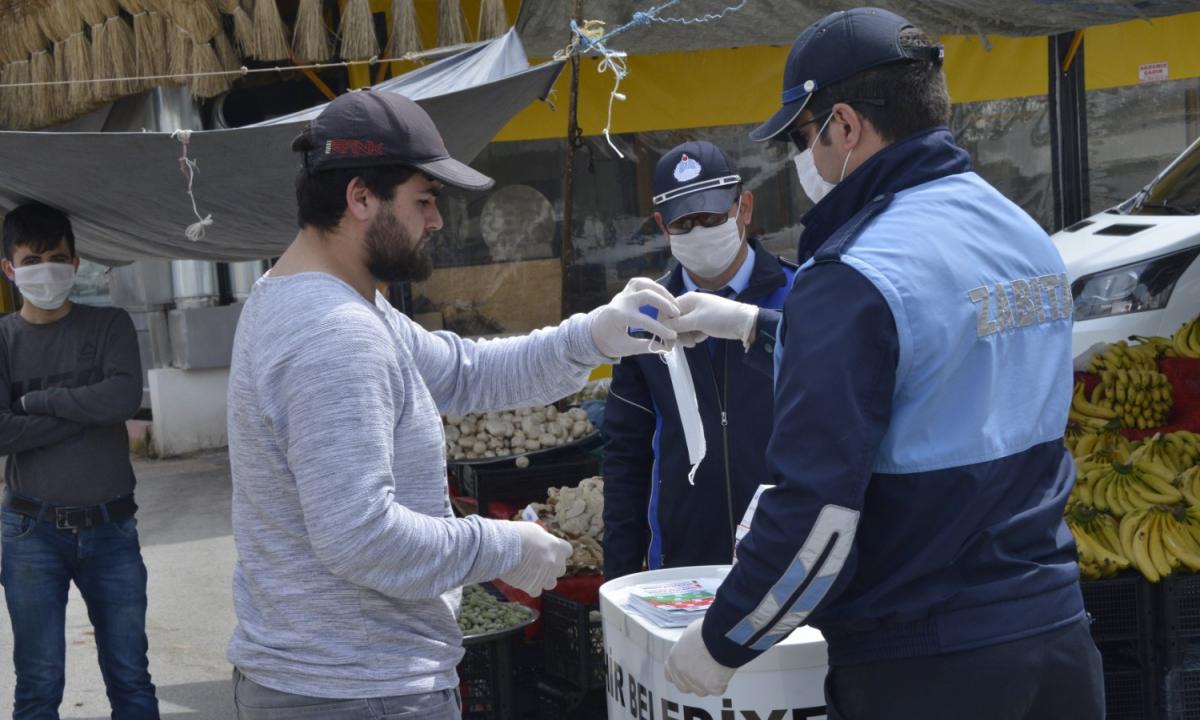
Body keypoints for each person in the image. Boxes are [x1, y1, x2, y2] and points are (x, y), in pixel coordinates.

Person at [661, 8, 1104, 718]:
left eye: (803, 136)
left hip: (925, 661)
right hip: (1055, 639)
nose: (803, 157)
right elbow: (938, 363)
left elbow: (818, 515)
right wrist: (762, 328)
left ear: (843, 126)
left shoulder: (852, 272)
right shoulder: (1021, 233)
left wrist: (723, 640)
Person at [225, 89, 680, 719]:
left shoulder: (328, 301)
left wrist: (593, 334)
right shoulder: (334, 332)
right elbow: (361, 538)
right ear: (360, 198)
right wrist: (507, 545)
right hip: (359, 689)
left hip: (337, 681)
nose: (436, 222)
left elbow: (464, 374)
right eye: (424, 200)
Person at [0, 202, 156, 719]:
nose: (44, 269)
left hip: (112, 527)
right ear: (9, 268)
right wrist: (85, 409)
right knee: (39, 681)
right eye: (31, 260)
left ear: (76, 263)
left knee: (130, 676)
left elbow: (122, 400)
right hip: (33, 531)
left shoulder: (109, 325)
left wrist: (38, 402)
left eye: (56, 257)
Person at [602, 140, 794, 581]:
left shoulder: (800, 295)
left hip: (788, 547)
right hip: (684, 557)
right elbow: (625, 455)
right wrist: (619, 576)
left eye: (711, 218)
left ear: (743, 207)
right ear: (662, 227)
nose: (699, 232)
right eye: (684, 223)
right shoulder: (643, 314)